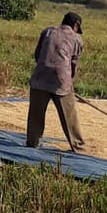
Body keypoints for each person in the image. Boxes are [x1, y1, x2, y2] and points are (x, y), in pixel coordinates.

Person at [26, 11, 85, 152]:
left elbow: (38, 54)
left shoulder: (48, 32)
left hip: (40, 77)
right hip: (61, 80)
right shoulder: (76, 39)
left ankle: (33, 142)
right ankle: (77, 146)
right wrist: (70, 83)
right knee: (69, 116)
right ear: (75, 26)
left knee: (36, 114)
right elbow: (73, 64)